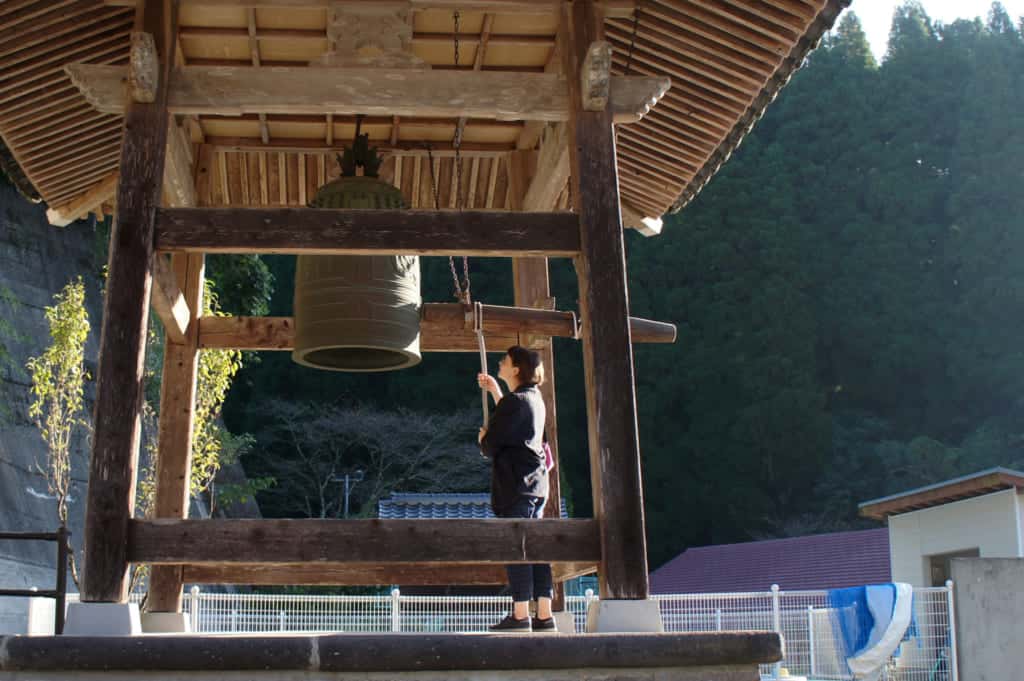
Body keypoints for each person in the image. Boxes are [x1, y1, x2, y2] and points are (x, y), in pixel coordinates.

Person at [477, 345, 555, 633]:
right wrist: (496, 392)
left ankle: (521, 614)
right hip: (536, 485)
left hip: (516, 485)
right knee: (536, 547)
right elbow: (514, 423)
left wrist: (483, 438)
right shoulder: (534, 399)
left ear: (517, 368)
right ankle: (544, 614)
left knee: (518, 547)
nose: (501, 362)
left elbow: (492, 444)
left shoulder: (515, 402)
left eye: (505, 360)